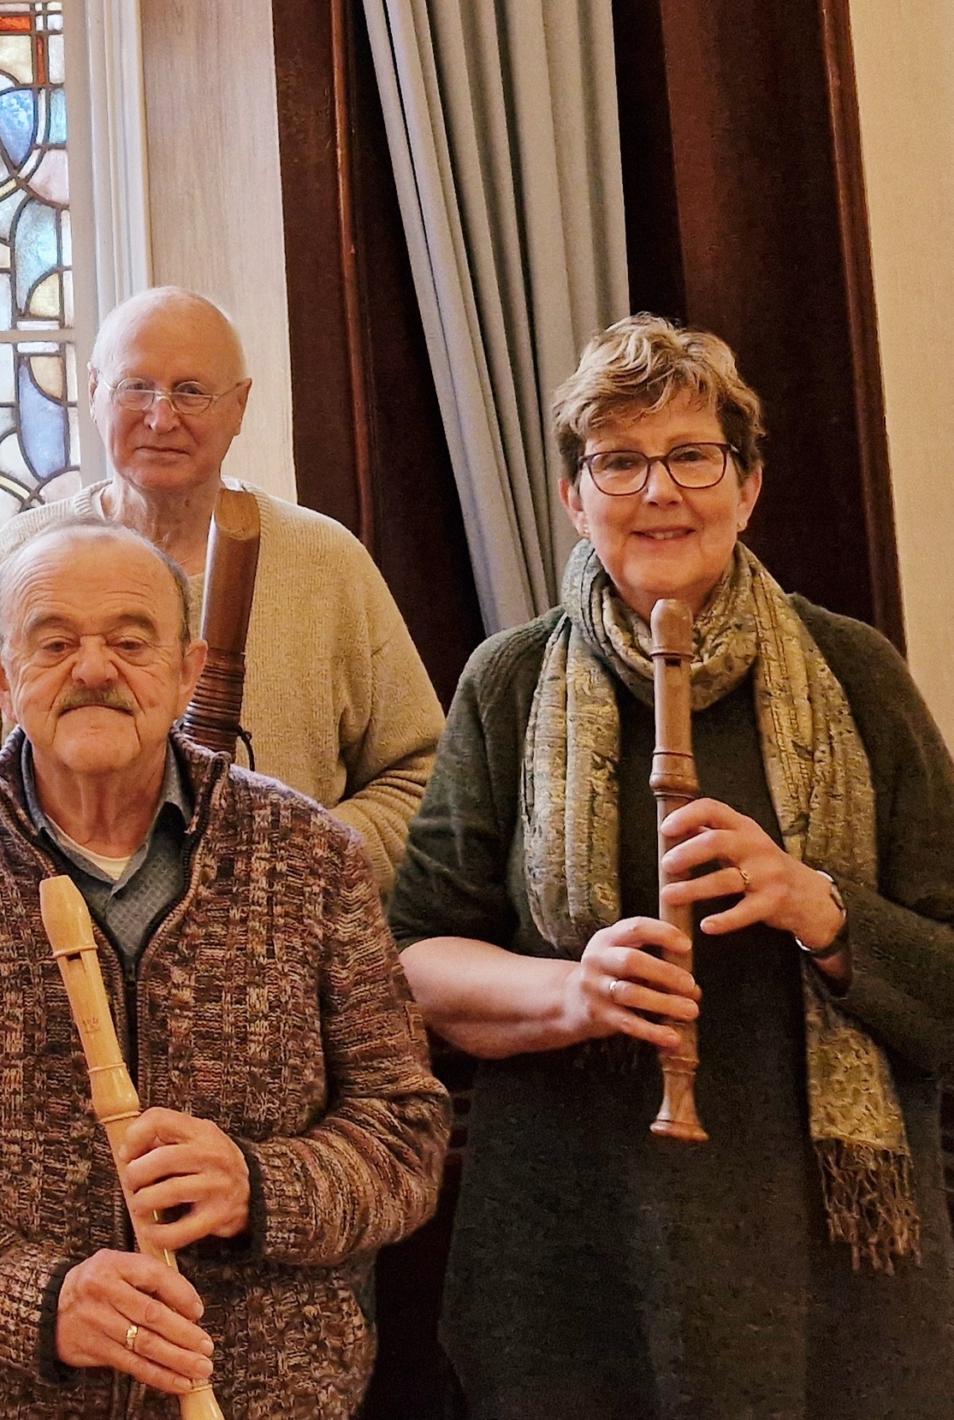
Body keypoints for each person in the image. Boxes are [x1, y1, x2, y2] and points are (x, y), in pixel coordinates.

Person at [391, 315, 954, 1419]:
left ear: (747, 487)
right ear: (574, 497)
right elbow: (416, 962)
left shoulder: (857, 671)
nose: (658, 491)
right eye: (618, 461)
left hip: (827, 1267)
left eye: (693, 455)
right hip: (575, 1246)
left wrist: (818, 907)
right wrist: (575, 991)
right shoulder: (508, 682)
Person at [0, 518, 448, 1420]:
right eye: (54, 643)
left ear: (189, 673)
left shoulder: (309, 854)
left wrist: (259, 1185)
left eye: (130, 641)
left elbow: (406, 1136)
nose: (93, 669)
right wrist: (37, 1302)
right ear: (3, 679)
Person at [0, 285, 442, 886]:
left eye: (191, 391)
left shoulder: (327, 563)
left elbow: (424, 783)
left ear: (239, 406)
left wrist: (289, 864)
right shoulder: (19, 558)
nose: (161, 417)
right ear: (94, 392)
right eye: (136, 387)